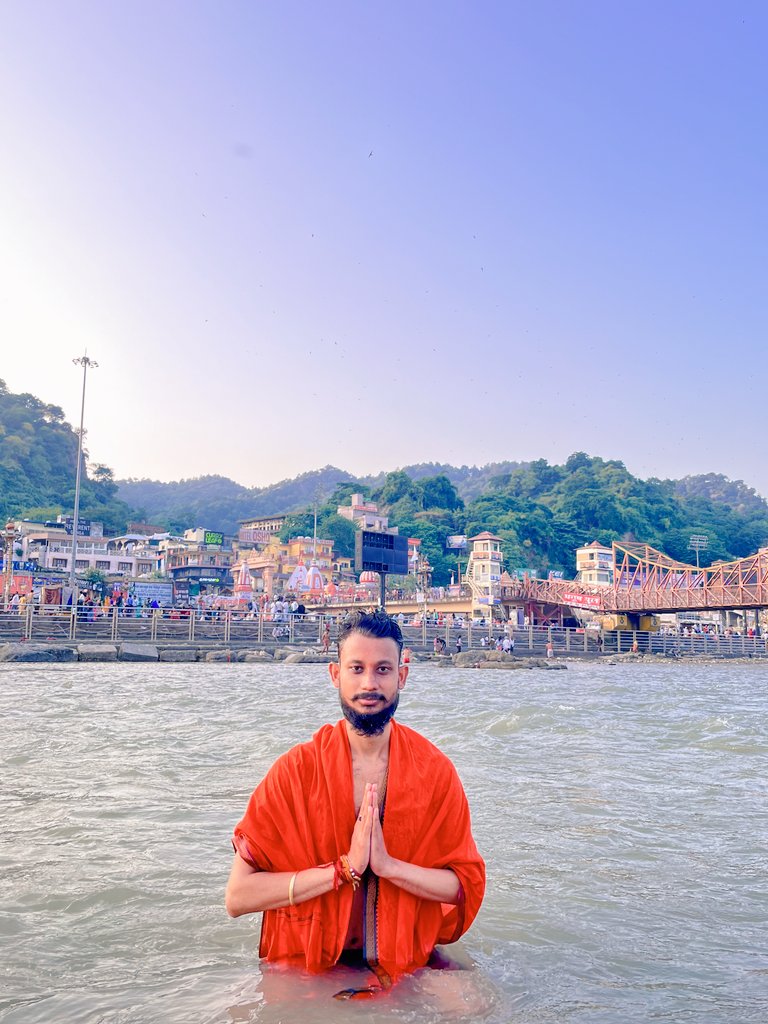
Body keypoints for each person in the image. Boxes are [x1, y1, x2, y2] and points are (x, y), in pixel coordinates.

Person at [225, 610, 485, 988]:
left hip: (405, 958)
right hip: (306, 962)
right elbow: (237, 897)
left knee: (477, 1002)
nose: (369, 683)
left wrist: (387, 866)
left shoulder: (435, 771)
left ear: (402, 676)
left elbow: (464, 886)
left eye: (382, 669)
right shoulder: (295, 771)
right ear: (335, 674)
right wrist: (342, 870)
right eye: (356, 668)